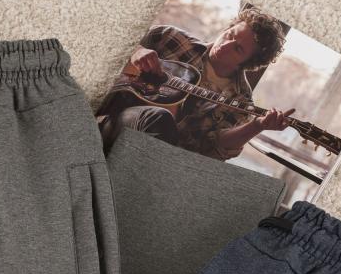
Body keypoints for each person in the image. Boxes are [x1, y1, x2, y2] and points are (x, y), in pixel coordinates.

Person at [101, 8, 294, 160]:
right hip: (113, 121)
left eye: (238, 49)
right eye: (230, 35)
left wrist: (257, 126)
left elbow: (211, 152)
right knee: (158, 117)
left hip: (163, 157)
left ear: (247, 63)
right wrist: (137, 51)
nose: (225, 45)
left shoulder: (240, 101)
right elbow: (109, 40)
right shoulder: (170, 37)